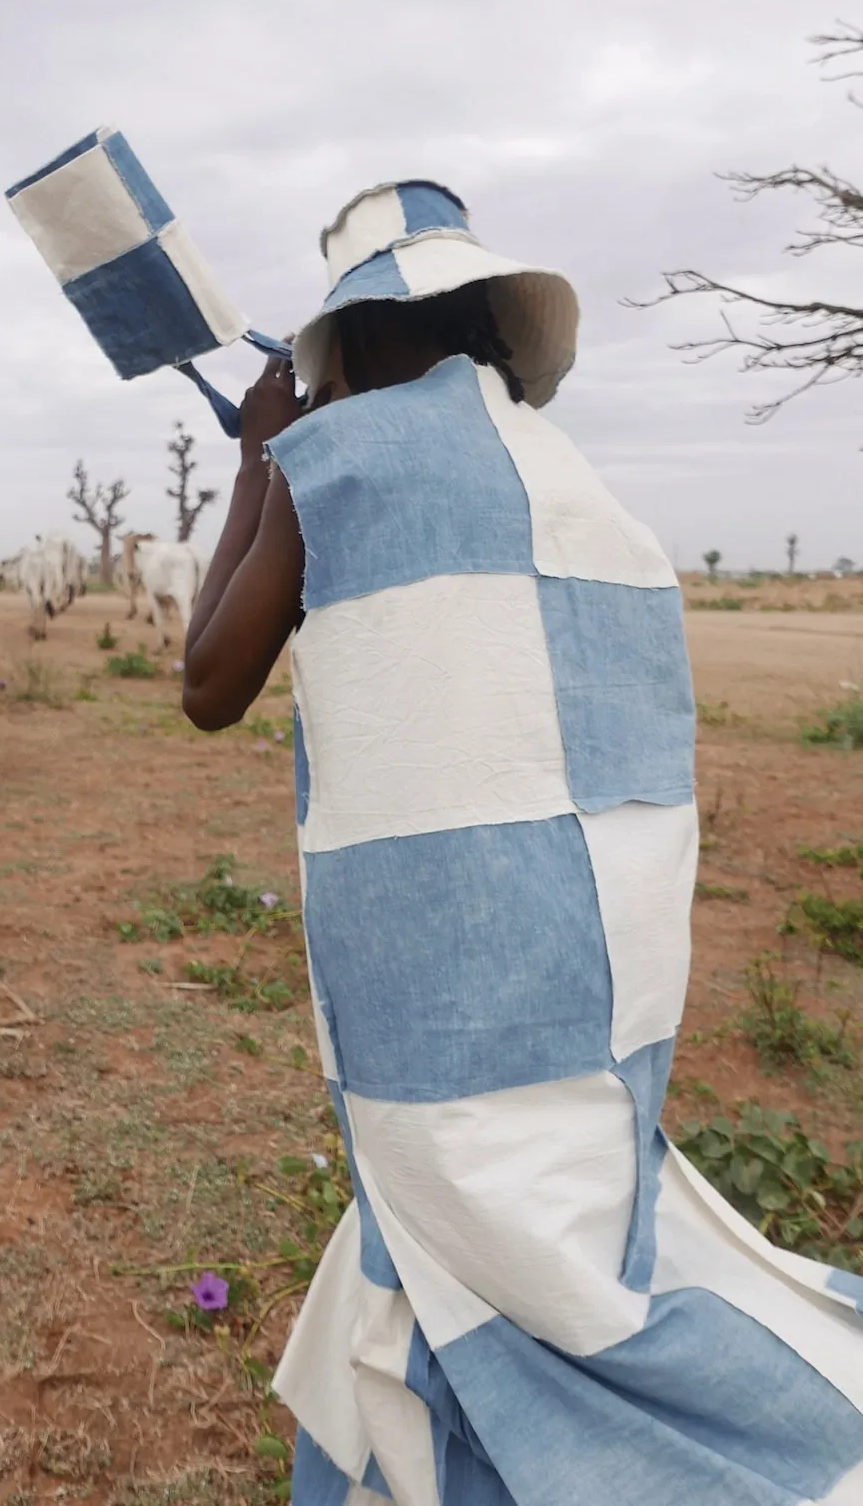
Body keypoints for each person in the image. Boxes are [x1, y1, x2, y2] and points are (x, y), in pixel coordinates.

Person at [183, 181, 863, 1505]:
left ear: (358, 343)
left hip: (438, 999)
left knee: (458, 1228)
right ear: (493, 329)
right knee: (562, 1213)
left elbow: (209, 682)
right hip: (590, 990)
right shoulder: (589, 493)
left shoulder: (339, 466)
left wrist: (260, 459)